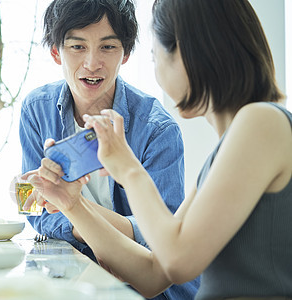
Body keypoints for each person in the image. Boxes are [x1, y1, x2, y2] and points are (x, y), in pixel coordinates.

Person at [29, 0, 292, 298]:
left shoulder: (262, 121)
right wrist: (71, 204)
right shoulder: (232, 145)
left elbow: (177, 263)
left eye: (155, 56)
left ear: (188, 53)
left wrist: (128, 168)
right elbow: (153, 275)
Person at [18, 0, 200, 298]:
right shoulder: (37, 109)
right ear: (55, 52)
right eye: (77, 47)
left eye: (107, 47)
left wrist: (70, 209)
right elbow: (33, 206)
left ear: (126, 54)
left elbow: (159, 234)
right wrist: (55, 204)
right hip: (74, 275)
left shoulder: (157, 128)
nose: (91, 63)